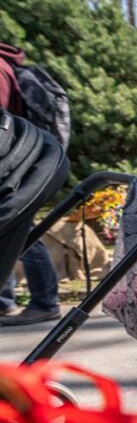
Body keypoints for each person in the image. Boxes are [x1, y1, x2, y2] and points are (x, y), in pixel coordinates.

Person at [0, 43, 61, 326]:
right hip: (20, 163)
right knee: (17, 232)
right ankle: (7, 300)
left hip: (17, 164)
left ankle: (45, 301)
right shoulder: (7, 65)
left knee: (21, 232)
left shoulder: (0, 68)